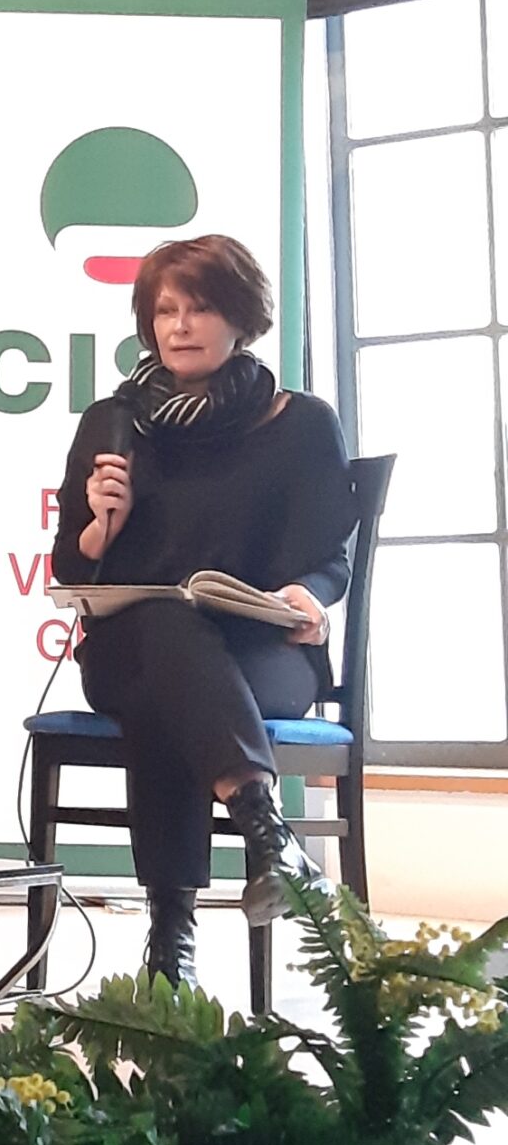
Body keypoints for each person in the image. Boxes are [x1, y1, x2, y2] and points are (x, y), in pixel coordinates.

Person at [52, 234, 356, 989]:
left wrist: (309, 595)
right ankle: (266, 831)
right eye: (165, 311)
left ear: (242, 318)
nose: (180, 326)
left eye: (201, 308)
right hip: (132, 645)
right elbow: (71, 566)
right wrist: (101, 526)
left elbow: (330, 559)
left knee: (172, 692)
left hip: (263, 653)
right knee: (166, 635)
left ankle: (170, 943)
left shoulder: (300, 423)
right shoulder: (113, 423)